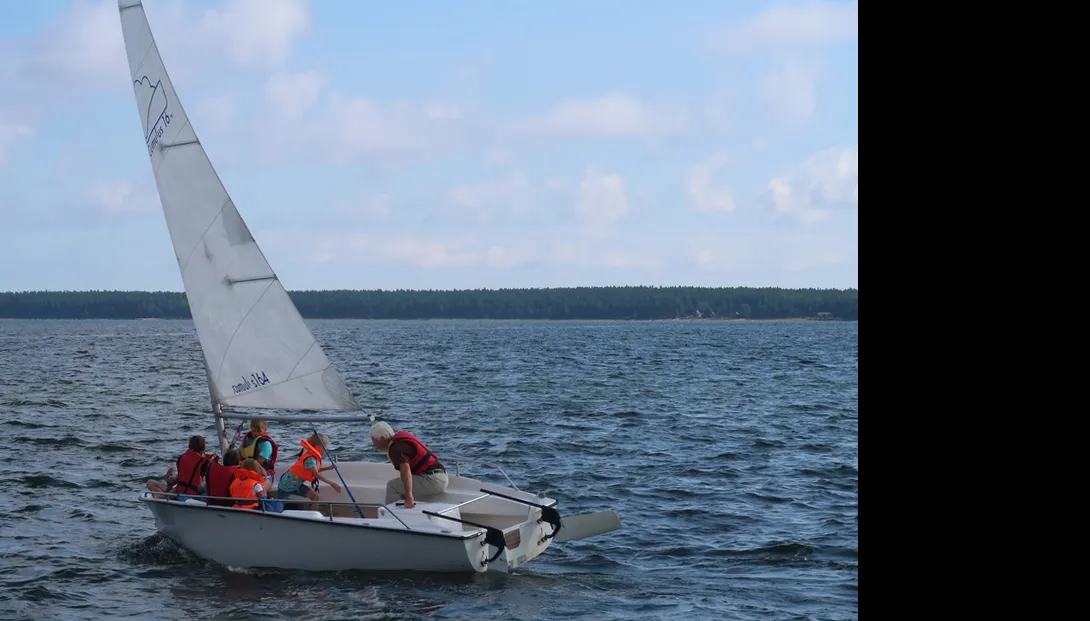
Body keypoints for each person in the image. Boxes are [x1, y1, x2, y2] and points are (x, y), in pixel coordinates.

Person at [369, 421, 448, 509]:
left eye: (374, 440)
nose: (374, 444)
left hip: (434, 480)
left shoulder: (396, 448)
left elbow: (405, 470)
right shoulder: (400, 442)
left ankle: (392, 517)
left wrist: (409, 496)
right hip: (439, 476)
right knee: (402, 488)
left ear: (382, 438)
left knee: (392, 487)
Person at [275, 433, 342, 511]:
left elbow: (313, 470)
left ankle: (312, 516)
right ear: (318, 447)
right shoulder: (310, 459)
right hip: (287, 486)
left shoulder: (311, 457)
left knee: (315, 497)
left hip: (296, 484)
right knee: (279, 507)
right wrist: (332, 484)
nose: (326, 449)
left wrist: (328, 468)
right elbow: (315, 474)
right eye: (325, 447)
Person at [146, 435, 215, 500]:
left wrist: (168, 477)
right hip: (190, 493)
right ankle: (162, 496)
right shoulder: (205, 463)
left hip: (180, 491)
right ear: (204, 448)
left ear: (189, 447)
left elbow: (172, 482)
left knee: (150, 482)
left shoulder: (182, 459)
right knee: (151, 482)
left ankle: (161, 496)